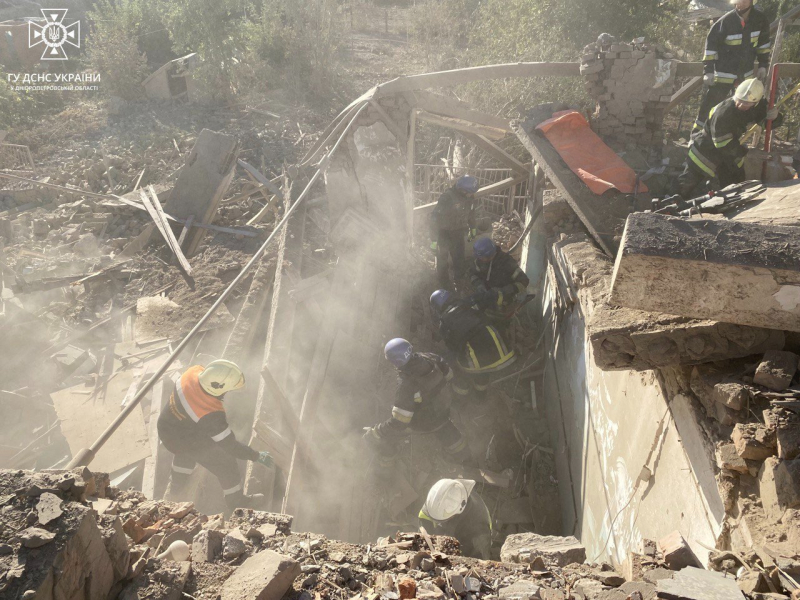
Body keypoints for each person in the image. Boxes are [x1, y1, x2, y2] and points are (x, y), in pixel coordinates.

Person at [157, 360, 273, 510]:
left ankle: (176, 485)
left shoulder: (191, 373)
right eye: (228, 391)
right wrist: (255, 455)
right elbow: (230, 446)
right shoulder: (210, 413)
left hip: (167, 427)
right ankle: (236, 501)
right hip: (182, 438)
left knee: (183, 453)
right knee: (227, 464)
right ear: (218, 389)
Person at [363, 339, 474, 466]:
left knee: (387, 437)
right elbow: (449, 375)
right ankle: (467, 460)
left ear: (394, 362)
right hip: (445, 409)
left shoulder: (406, 385)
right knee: (449, 433)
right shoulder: (431, 358)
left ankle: (385, 470)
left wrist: (377, 431)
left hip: (424, 423)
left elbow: (400, 423)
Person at [678, 78, 780, 198]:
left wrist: (774, 117)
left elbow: (766, 124)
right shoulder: (723, 113)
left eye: (746, 103)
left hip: (730, 151)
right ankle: (668, 205)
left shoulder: (758, 106)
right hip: (705, 151)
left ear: (756, 103)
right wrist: (747, 153)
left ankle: (733, 206)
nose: (741, 104)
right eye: (739, 100)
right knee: (685, 186)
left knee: (736, 185)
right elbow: (722, 144)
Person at [694, 0, 771, 133]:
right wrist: (709, 71)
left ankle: (730, 138)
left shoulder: (760, 20)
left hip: (744, 76)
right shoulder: (725, 21)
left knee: (740, 110)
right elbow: (711, 48)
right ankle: (697, 137)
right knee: (710, 107)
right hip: (723, 75)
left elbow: (763, 45)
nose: (740, 2)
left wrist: (763, 65)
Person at [430, 289, 517, 400]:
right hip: (504, 351)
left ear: (437, 307)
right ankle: (480, 397)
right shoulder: (468, 303)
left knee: (457, 368)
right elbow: (489, 296)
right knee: (482, 370)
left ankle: (461, 399)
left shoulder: (444, 325)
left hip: (480, 360)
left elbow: (453, 348)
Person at [418, 478, 493, 559]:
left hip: (471, 537)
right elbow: (424, 524)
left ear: (457, 512)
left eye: (443, 521)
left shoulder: (477, 526)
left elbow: (478, 561)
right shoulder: (438, 499)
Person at [429, 175, 479, 287]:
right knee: (442, 262)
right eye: (470, 192)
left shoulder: (469, 198)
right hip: (443, 234)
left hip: (458, 232)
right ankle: (444, 286)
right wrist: (433, 240)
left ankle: (459, 283)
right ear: (463, 190)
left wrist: (473, 228)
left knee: (459, 260)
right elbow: (434, 219)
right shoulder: (447, 198)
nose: (472, 195)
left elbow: (471, 213)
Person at [469, 238, 530, 324]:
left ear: (489, 255)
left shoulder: (506, 262)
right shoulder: (479, 261)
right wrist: (478, 284)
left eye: (482, 258)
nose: (480, 260)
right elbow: (473, 274)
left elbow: (524, 281)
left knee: (500, 323)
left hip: (504, 301)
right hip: (486, 297)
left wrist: (503, 291)